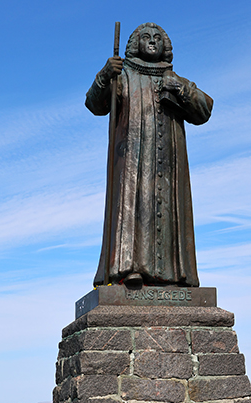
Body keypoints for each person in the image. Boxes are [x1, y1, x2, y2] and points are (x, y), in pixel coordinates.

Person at [86, 22, 213, 288]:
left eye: (157, 37)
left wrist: (180, 88)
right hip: (133, 159)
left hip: (170, 166)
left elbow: (204, 111)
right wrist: (105, 75)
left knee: (169, 213)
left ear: (165, 46)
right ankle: (128, 269)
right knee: (134, 208)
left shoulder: (174, 78)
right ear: (135, 44)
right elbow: (94, 104)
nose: (152, 40)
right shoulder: (123, 77)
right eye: (146, 37)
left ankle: (175, 275)